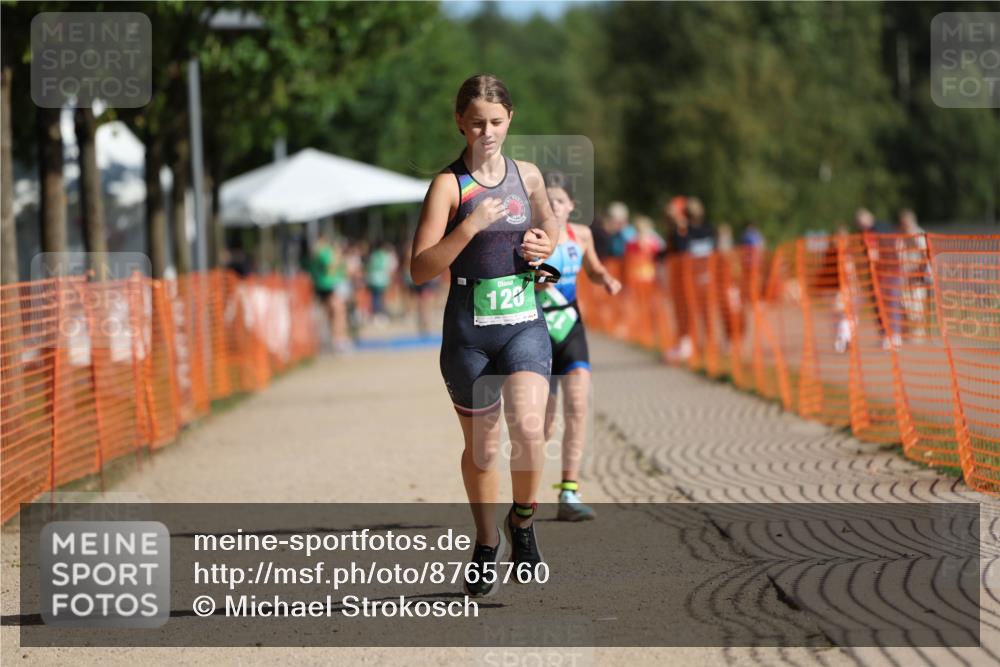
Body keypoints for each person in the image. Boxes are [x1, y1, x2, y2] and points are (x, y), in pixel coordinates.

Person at [409, 74, 560, 597]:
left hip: (523, 323)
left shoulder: (528, 175)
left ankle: (523, 520)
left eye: (496, 122)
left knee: (530, 426)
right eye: (476, 123)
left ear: (510, 119)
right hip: (468, 333)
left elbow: (549, 225)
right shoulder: (449, 186)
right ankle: (487, 539)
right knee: (483, 449)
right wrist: (469, 228)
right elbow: (420, 268)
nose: (487, 132)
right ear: (460, 122)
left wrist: (545, 243)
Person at [537, 172, 622, 521]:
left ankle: (569, 492)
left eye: (559, 200)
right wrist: (535, 282)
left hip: (571, 331)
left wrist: (606, 279)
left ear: (571, 205)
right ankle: (526, 496)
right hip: (537, 336)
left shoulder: (581, 235)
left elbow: (595, 269)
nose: (554, 206)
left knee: (577, 409)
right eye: (547, 201)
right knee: (542, 424)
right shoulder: (532, 237)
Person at [308, 233, 351, 352]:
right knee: (339, 313)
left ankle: (332, 339)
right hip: (330, 285)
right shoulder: (326, 252)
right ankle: (339, 339)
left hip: (321, 286)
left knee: (330, 314)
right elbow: (331, 266)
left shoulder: (316, 254)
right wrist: (338, 260)